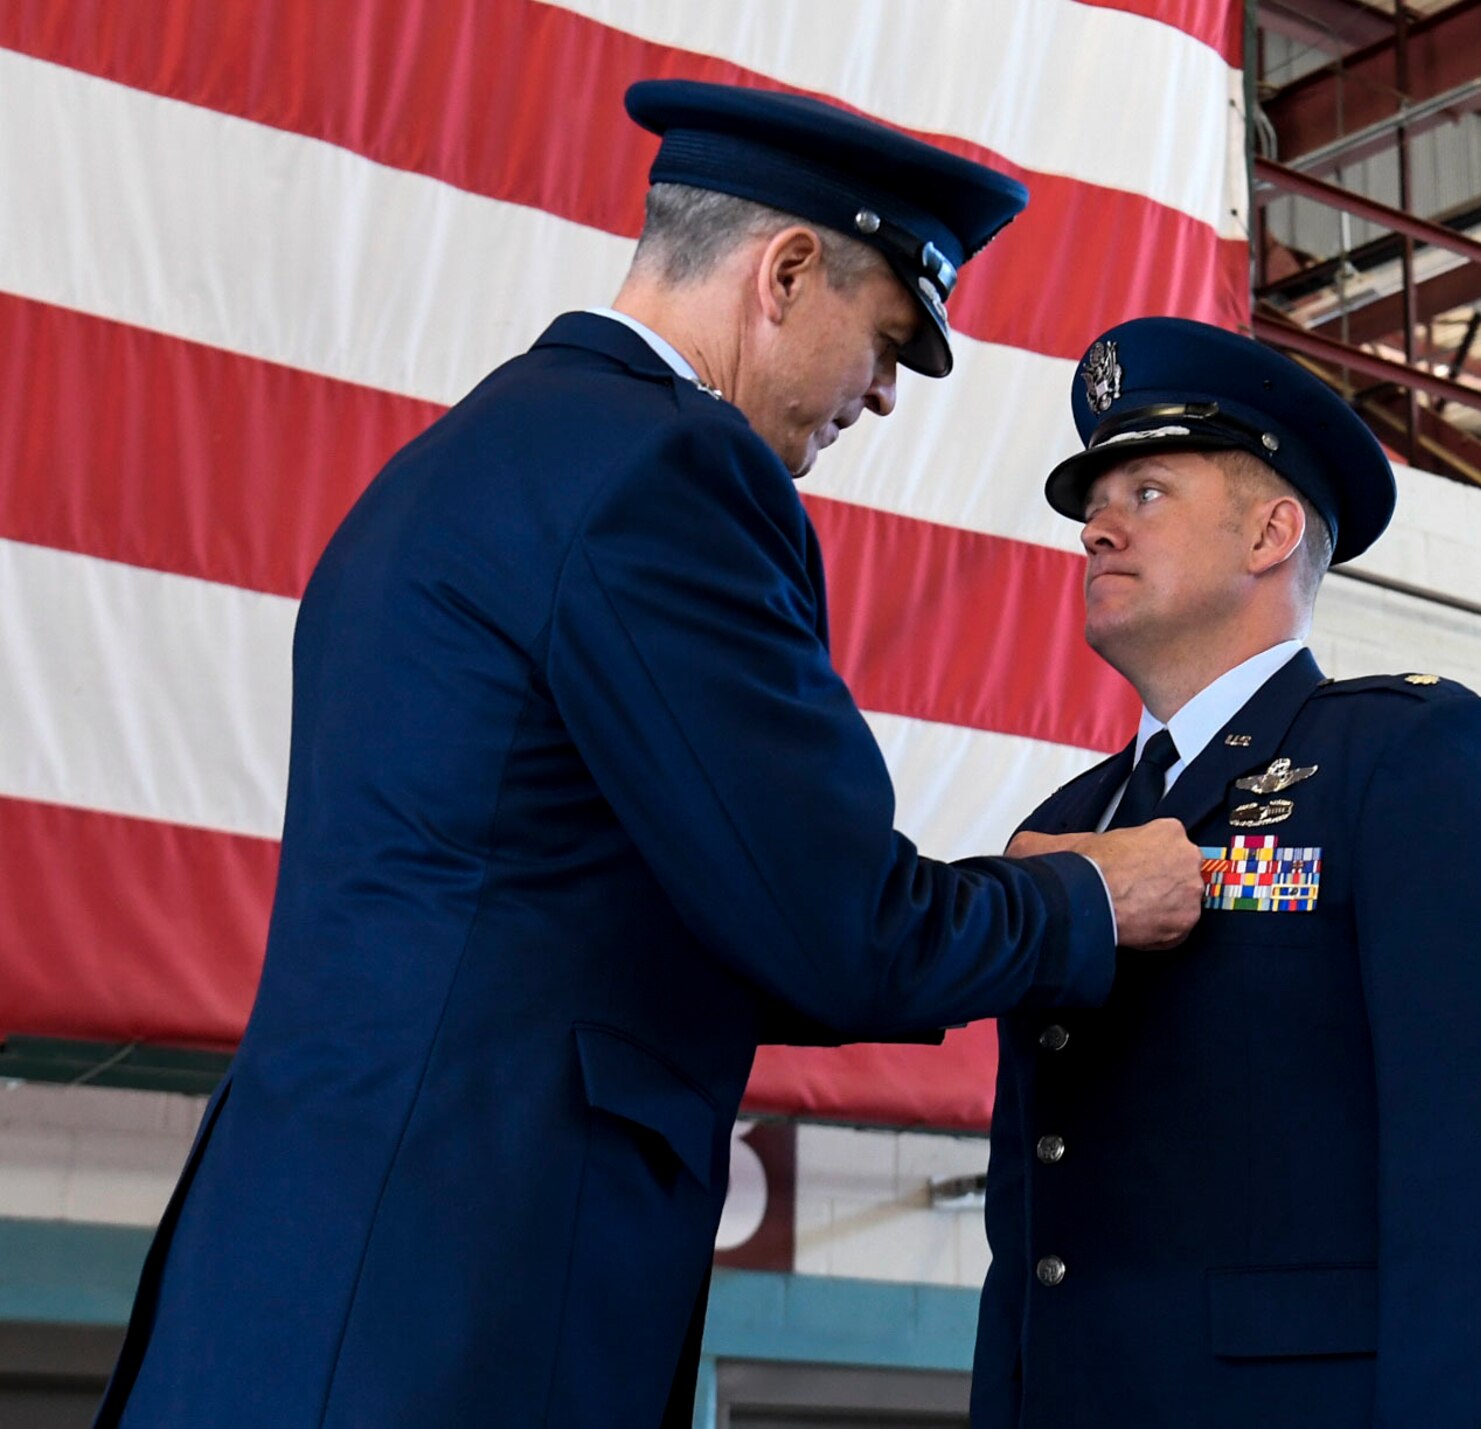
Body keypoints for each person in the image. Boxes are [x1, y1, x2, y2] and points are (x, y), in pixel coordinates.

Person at [96, 82, 1201, 1428]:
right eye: (889, 341)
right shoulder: (672, 473)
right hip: (459, 1303)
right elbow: (831, 924)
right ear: (786, 271)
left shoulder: (461, 460)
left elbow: (628, 913)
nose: (887, 399)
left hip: (298, 1277)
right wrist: (1090, 898)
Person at [972, 316, 1481, 1426]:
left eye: (1145, 494)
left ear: (1270, 531)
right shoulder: (1071, 824)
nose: (1094, 533)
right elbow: (1034, 1222)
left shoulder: (1406, 758)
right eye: (1090, 507)